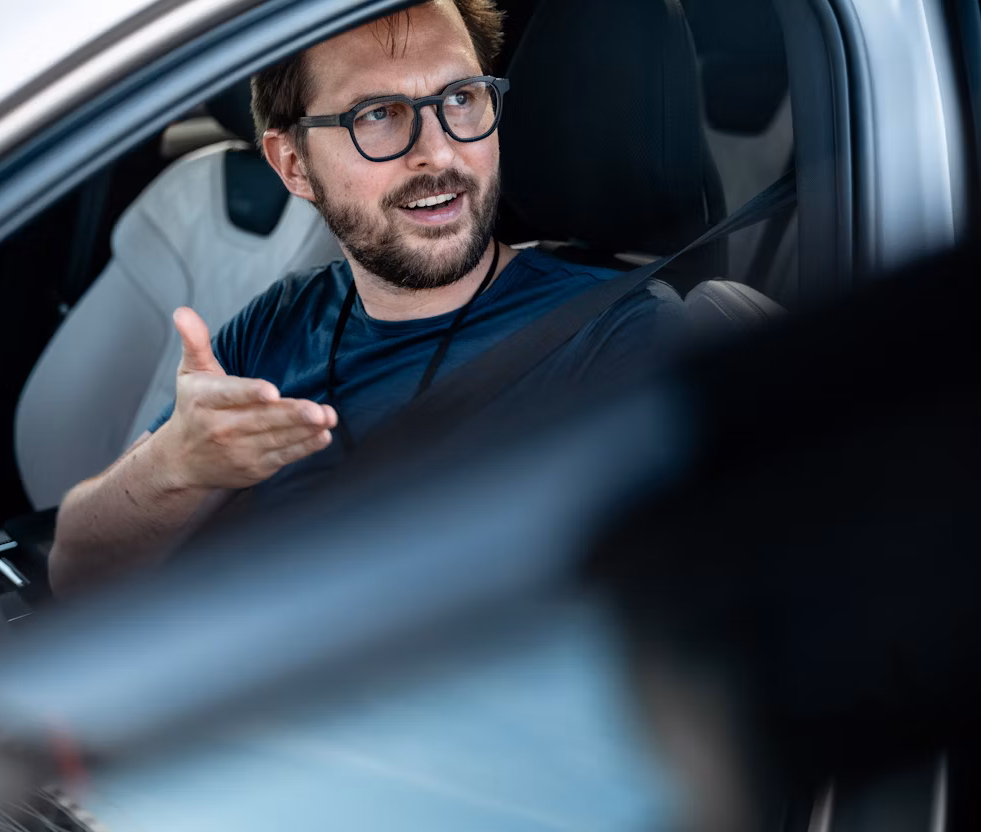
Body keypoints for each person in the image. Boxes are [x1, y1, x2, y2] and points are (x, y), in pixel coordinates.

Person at [48, 0, 685, 594]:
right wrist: (177, 464)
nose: (438, 152)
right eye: (377, 114)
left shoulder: (619, 337)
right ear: (293, 165)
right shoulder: (278, 322)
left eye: (461, 98)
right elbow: (76, 567)